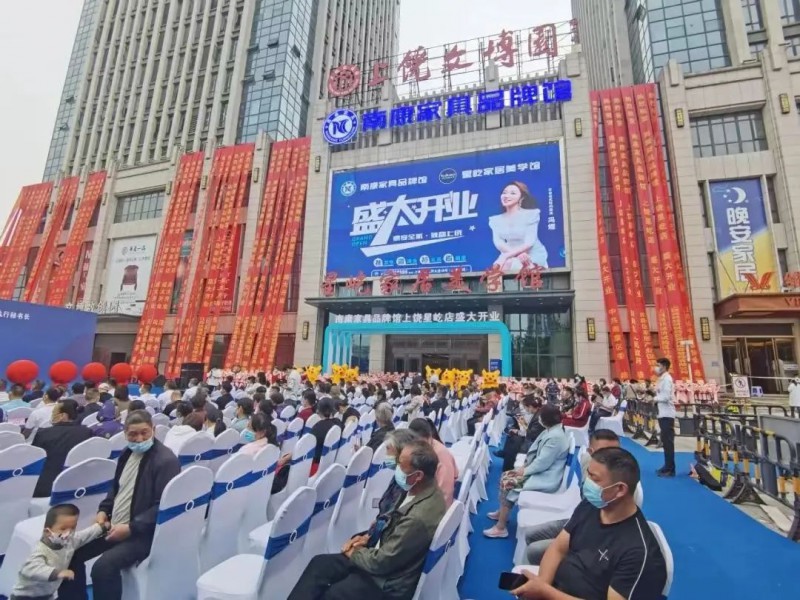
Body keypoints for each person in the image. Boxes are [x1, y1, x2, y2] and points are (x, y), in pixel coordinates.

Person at [287, 439, 446, 599]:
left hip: (388, 582)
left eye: (401, 465)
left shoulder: (418, 517)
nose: (397, 468)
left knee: (333, 594)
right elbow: (392, 528)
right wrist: (366, 537)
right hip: (383, 556)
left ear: (418, 475)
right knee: (319, 565)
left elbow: (383, 562)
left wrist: (355, 552)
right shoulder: (420, 489)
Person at [511, 447, 667, 600]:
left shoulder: (637, 551)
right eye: (588, 474)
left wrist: (545, 592)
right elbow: (558, 548)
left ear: (620, 489)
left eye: (594, 478)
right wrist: (542, 583)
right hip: (558, 588)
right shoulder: (592, 506)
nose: (587, 483)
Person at [59, 410, 181, 600]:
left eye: (144, 432)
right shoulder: (127, 453)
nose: (139, 439)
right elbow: (117, 488)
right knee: (69, 552)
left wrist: (131, 528)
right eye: (133, 434)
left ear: (154, 430)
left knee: (103, 568)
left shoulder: (166, 461)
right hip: (115, 525)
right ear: (125, 434)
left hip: (143, 533)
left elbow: (162, 507)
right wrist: (104, 509)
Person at [525, 429, 622, 564]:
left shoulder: (620, 485)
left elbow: (607, 532)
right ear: (590, 452)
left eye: (616, 454)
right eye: (603, 454)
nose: (610, 459)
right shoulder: (588, 464)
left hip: (592, 536)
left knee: (534, 550)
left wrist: (569, 538)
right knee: (530, 534)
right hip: (580, 519)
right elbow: (586, 504)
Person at [484, 404, 570, 539]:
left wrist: (524, 471)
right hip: (542, 470)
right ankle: (502, 513)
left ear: (546, 419)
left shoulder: (555, 437)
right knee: (506, 475)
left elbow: (542, 463)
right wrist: (523, 468)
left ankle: (501, 527)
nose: (539, 418)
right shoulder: (552, 430)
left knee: (510, 482)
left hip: (547, 477)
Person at [11, 503, 107, 600]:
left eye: (72, 528)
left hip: (48, 595)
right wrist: (57, 573)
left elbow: (85, 535)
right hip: (24, 597)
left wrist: (101, 527)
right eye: (63, 528)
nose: (68, 533)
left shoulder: (70, 541)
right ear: (48, 532)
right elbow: (30, 569)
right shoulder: (41, 550)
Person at [32, 399, 93, 498]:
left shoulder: (43, 434)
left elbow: (34, 459)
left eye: (54, 413)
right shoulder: (86, 432)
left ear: (63, 416)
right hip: (78, 483)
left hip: (46, 487)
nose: (52, 415)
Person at [488, 181, 547, 272]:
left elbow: (529, 242)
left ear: (521, 198)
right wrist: (516, 255)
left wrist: (505, 256)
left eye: (512, 193)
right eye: (504, 193)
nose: (507, 196)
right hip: (511, 254)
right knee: (497, 269)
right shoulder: (495, 220)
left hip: (532, 254)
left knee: (504, 265)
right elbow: (498, 242)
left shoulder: (531, 214)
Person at [408, 418, 458, 507]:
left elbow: (444, 492)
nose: (419, 447)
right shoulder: (427, 450)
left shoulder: (440, 455)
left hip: (438, 508)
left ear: (430, 437)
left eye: (422, 443)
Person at [497, 395, 545, 472]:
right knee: (513, 436)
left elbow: (531, 434)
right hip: (532, 438)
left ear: (530, 407)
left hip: (533, 442)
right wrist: (523, 424)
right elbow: (530, 430)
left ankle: (508, 467)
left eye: (525, 407)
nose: (525, 409)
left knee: (515, 442)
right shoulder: (537, 414)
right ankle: (507, 461)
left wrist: (522, 426)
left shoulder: (538, 417)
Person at [649, 357, 676, 477]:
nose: (656, 367)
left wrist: (654, 399)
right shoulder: (661, 379)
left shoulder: (667, 379)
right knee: (665, 442)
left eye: (658, 365)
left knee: (668, 442)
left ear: (664, 367)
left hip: (667, 414)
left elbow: (665, 397)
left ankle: (670, 468)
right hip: (662, 413)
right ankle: (666, 466)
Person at [309, 398, 340, 476]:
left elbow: (306, 447)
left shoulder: (317, 427)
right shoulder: (338, 423)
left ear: (318, 410)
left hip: (315, 465)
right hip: (331, 463)